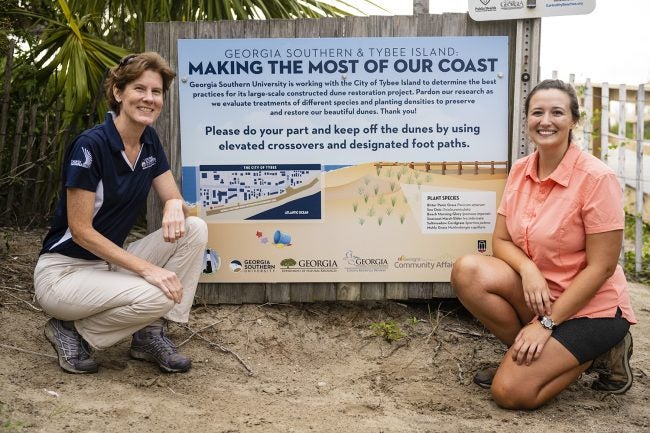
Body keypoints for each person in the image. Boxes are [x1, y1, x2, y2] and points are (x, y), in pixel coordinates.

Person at [450, 79, 636, 409]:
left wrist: (547, 324)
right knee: (468, 270)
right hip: (540, 295)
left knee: (509, 393)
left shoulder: (597, 178)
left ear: (573, 121)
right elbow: (501, 239)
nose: (545, 121)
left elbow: (602, 267)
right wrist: (529, 269)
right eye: (537, 112)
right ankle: (534, 358)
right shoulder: (521, 169)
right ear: (527, 120)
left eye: (557, 112)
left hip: (591, 308)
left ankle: (596, 353)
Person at [34, 52, 208, 374]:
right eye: (140, 89)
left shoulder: (149, 141)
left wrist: (172, 203)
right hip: (64, 273)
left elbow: (175, 200)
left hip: (108, 265)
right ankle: (71, 330)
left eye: (156, 92)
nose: (149, 98)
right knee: (159, 294)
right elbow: (81, 230)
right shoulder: (90, 146)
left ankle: (148, 334)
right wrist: (148, 270)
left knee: (194, 228)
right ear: (118, 92)